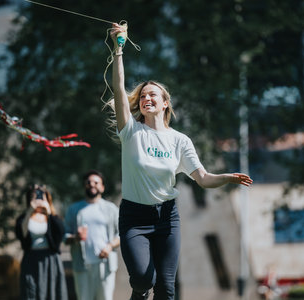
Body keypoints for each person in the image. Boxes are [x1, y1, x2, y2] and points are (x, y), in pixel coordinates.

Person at [107, 23, 254, 300]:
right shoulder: (131, 131)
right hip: (134, 217)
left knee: (167, 287)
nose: (146, 98)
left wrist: (227, 177)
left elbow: (203, 178)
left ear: (165, 104)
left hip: (167, 218)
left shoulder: (180, 140)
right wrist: (119, 49)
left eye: (153, 94)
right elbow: (118, 89)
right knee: (143, 278)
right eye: (143, 95)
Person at [64, 170, 120, 300]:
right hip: (82, 265)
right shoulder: (74, 209)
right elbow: (64, 236)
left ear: (102, 187)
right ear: (85, 185)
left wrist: (110, 246)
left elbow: (121, 233)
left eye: (96, 182)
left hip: (105, 265)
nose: (92, 185)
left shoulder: (111, 209)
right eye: (88, 182)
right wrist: (75, 238)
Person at [15, 184, 68, 300]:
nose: (38, 200)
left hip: (50, 260)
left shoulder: (53, 218)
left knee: (52, 293)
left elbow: (60, 233)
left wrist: (48, 211)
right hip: (31, 259)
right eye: (34, 197)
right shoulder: (23, 218)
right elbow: (21, 234)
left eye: (40, 197)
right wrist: (30, 211)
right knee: (31, 292)